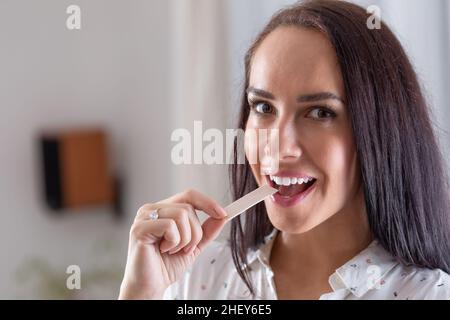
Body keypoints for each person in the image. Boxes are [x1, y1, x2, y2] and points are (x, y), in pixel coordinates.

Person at [118, 0, 450, 300]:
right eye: (263, 108)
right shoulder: (194, 280)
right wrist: (141, 293)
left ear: (381, 131)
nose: (279, 148)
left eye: (320, 113)